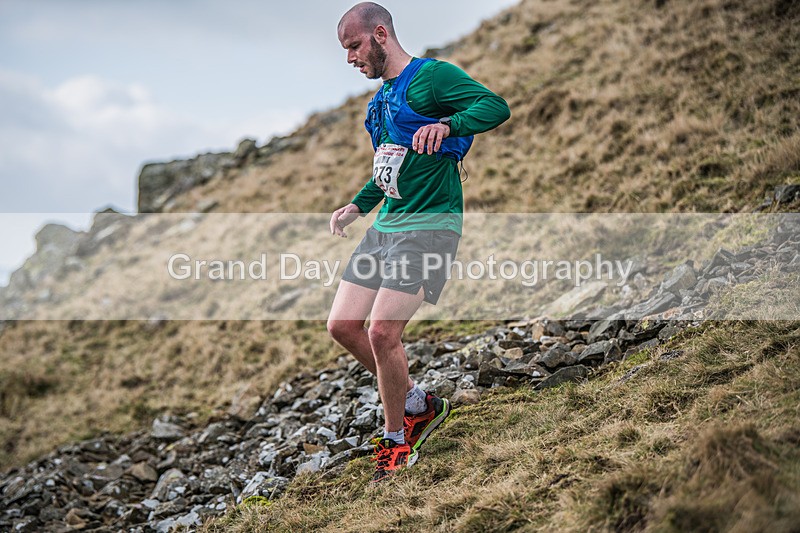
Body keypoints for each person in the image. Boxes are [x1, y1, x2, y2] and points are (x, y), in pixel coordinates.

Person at [327, 2, 510, 483]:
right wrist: (356, 206)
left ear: (380, 35)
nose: (350, 59)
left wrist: (448, 125)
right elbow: (389, 167)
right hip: (386, 226)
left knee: (382, 333)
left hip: (430, 226)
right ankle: (415, 403)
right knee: (343, 325)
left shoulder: (432, 78)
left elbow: (495, 106)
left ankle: (397, 439)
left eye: (353, 47)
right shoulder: (379, 102)